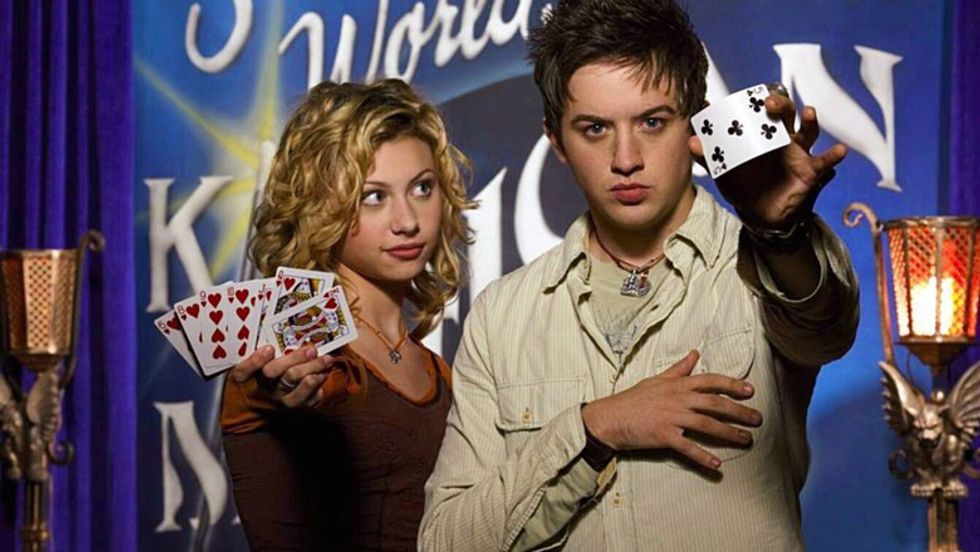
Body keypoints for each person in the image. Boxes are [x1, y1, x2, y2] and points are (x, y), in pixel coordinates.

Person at [419, 0, 859, 550]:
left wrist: (781, 234)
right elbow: (445, 541)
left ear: (695, 124)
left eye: (652, 122)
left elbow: (825, 326)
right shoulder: (500, 314)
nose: (625, 158)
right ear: (556, 141)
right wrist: (595, 427)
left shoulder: (767, 266)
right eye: (594, 129)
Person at [220, 78, 475, 551]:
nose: (407, 221)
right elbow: (286, 387)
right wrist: (285, 389)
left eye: (422, 188)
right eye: (373, 196)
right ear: (320, 206)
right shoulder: (291, 343)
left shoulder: (440, 374)